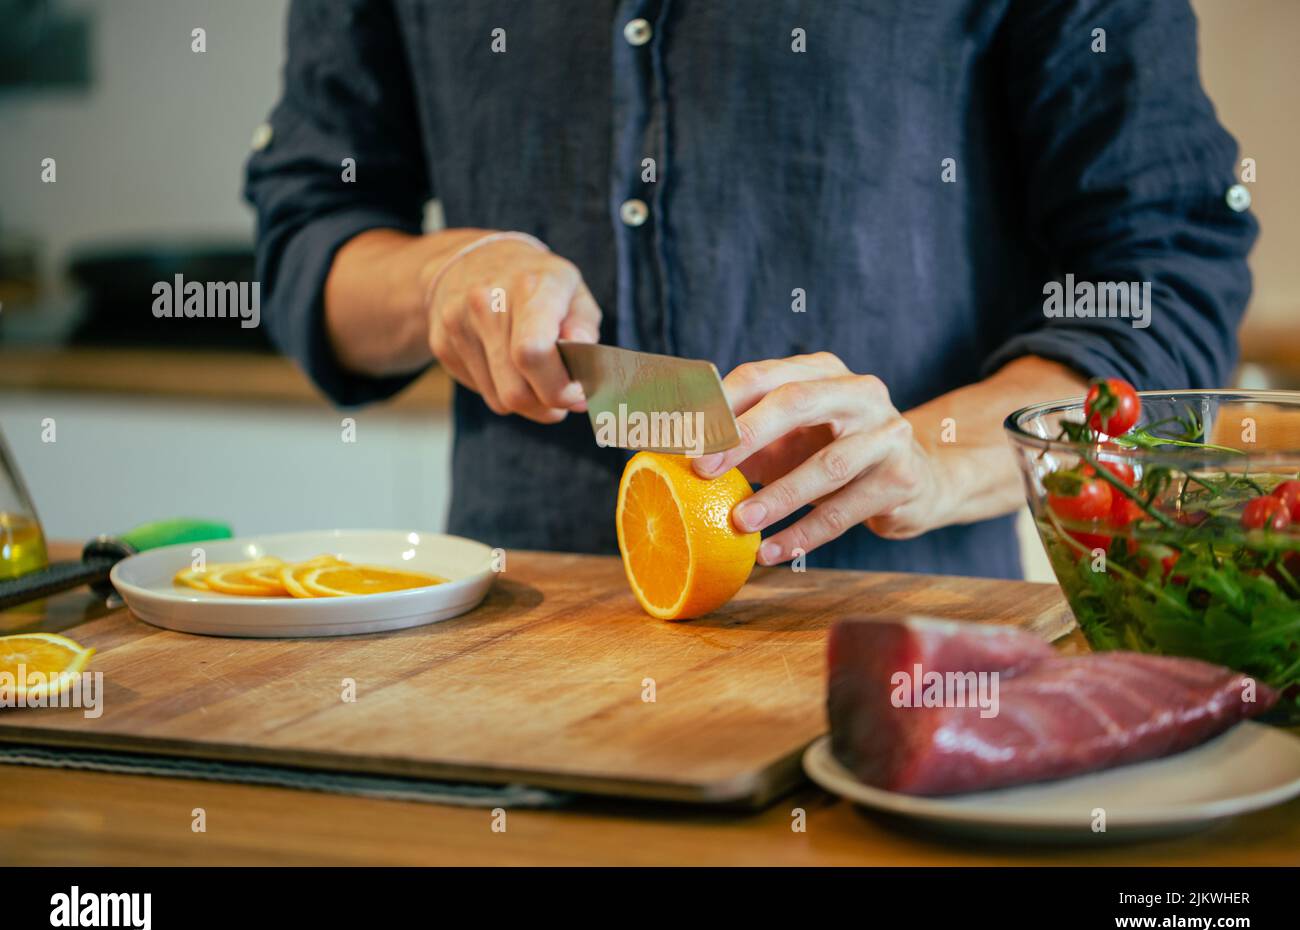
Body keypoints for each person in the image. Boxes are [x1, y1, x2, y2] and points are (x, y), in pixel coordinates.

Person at [245, 0, 1256, 578]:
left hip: (897, 672)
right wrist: (438, 275)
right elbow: (307, 242)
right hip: (511, 650)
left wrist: (937, 458)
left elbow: (1159, 275)